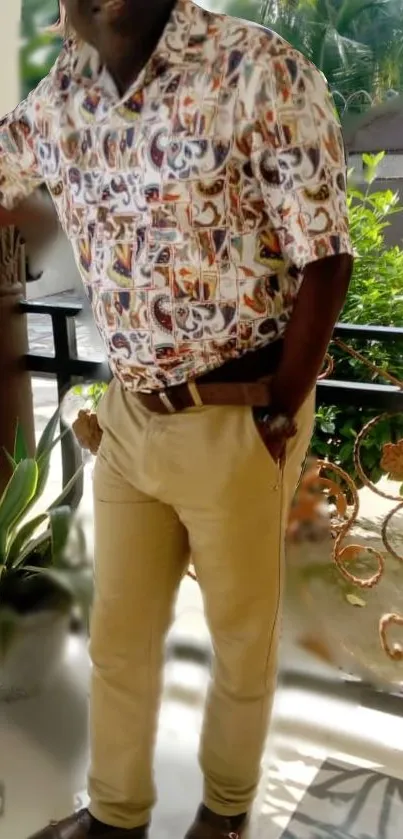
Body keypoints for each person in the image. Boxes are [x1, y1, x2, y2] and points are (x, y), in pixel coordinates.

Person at [0, 1, 353, 837]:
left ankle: (224, 813)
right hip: (128, 416)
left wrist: (278, 405)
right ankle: (117, 815)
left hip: (238, 413)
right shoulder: (63, 99)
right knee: (118, 638)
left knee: (239, 638)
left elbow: (326, 256)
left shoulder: (255, 69)